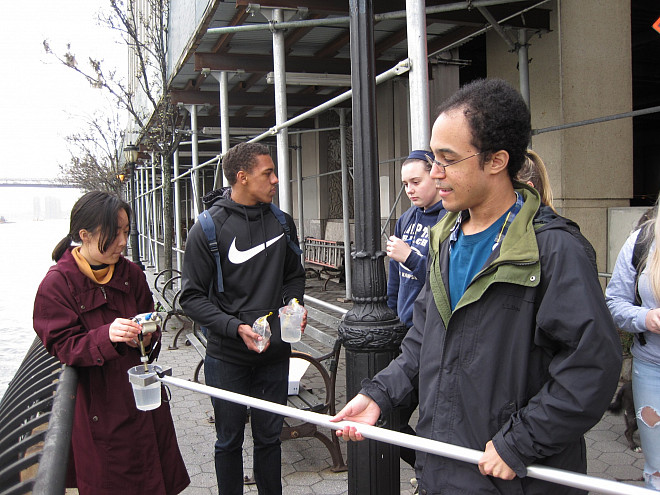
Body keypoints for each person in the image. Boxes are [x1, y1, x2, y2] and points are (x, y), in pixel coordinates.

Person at [331, 78, 622, 494]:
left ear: (496, 161)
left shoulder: (554, 250)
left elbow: (592, 366)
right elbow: (423, 340)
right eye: (433, 158)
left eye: (447, 160)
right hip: (442, 470)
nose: (435, 174)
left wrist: (520, 441)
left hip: (512, 478)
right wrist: (380, 395)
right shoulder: (445, 239)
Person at [33, 191, 190, 495]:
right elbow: (62, 344)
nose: (122, 241)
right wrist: (105, 336)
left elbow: (151, 325)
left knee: (156, 479)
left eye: (126, 231)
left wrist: (147, 337)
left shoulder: (131, 273)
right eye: (114, 232)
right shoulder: (56, 285)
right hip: (100, 412)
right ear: (84, 235)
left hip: (144, 402)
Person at [179, 142, 307, 495]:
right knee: (228, 441)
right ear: (242, 177)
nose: (276, 180)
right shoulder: (207, 228)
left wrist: (294, 304)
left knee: (269, 439)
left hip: (275, 353)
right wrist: (235, 328)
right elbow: (190, 297)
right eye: (268, 173)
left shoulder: (283, 223)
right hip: (227, 355)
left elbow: (294, 276)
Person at [386, 149, 446, 468]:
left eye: (416, 181)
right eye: (405, 183)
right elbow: (396, 277)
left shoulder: (450, 217)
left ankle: (431, 476)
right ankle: (424, 470)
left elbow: (445, 280)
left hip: (436, 336)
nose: (409, 189)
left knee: (432, 419)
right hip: (406, 333)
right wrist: (389, 311)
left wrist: (410, 256)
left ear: (435, 175)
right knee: (389, 418)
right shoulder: (407, 217)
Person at [606, 198, 660, 491]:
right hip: (652, 369)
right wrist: (646, 318)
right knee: (657, 471)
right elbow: (613, 301)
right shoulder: (643, 240)